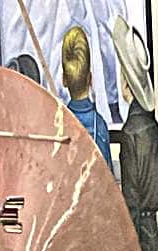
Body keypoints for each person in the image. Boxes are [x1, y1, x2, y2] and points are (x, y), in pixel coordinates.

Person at [110, 15, 158, 251]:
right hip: (156, 229)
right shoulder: (153, 127)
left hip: (140, 231)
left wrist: (127, 245)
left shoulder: (128, 135)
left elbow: (130, 197)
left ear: (126, 83)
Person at [61, 24, 114, 174]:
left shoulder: (59, 125)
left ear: (63, 79)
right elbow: (107, 182)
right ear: (90, 78)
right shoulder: (100, 126)